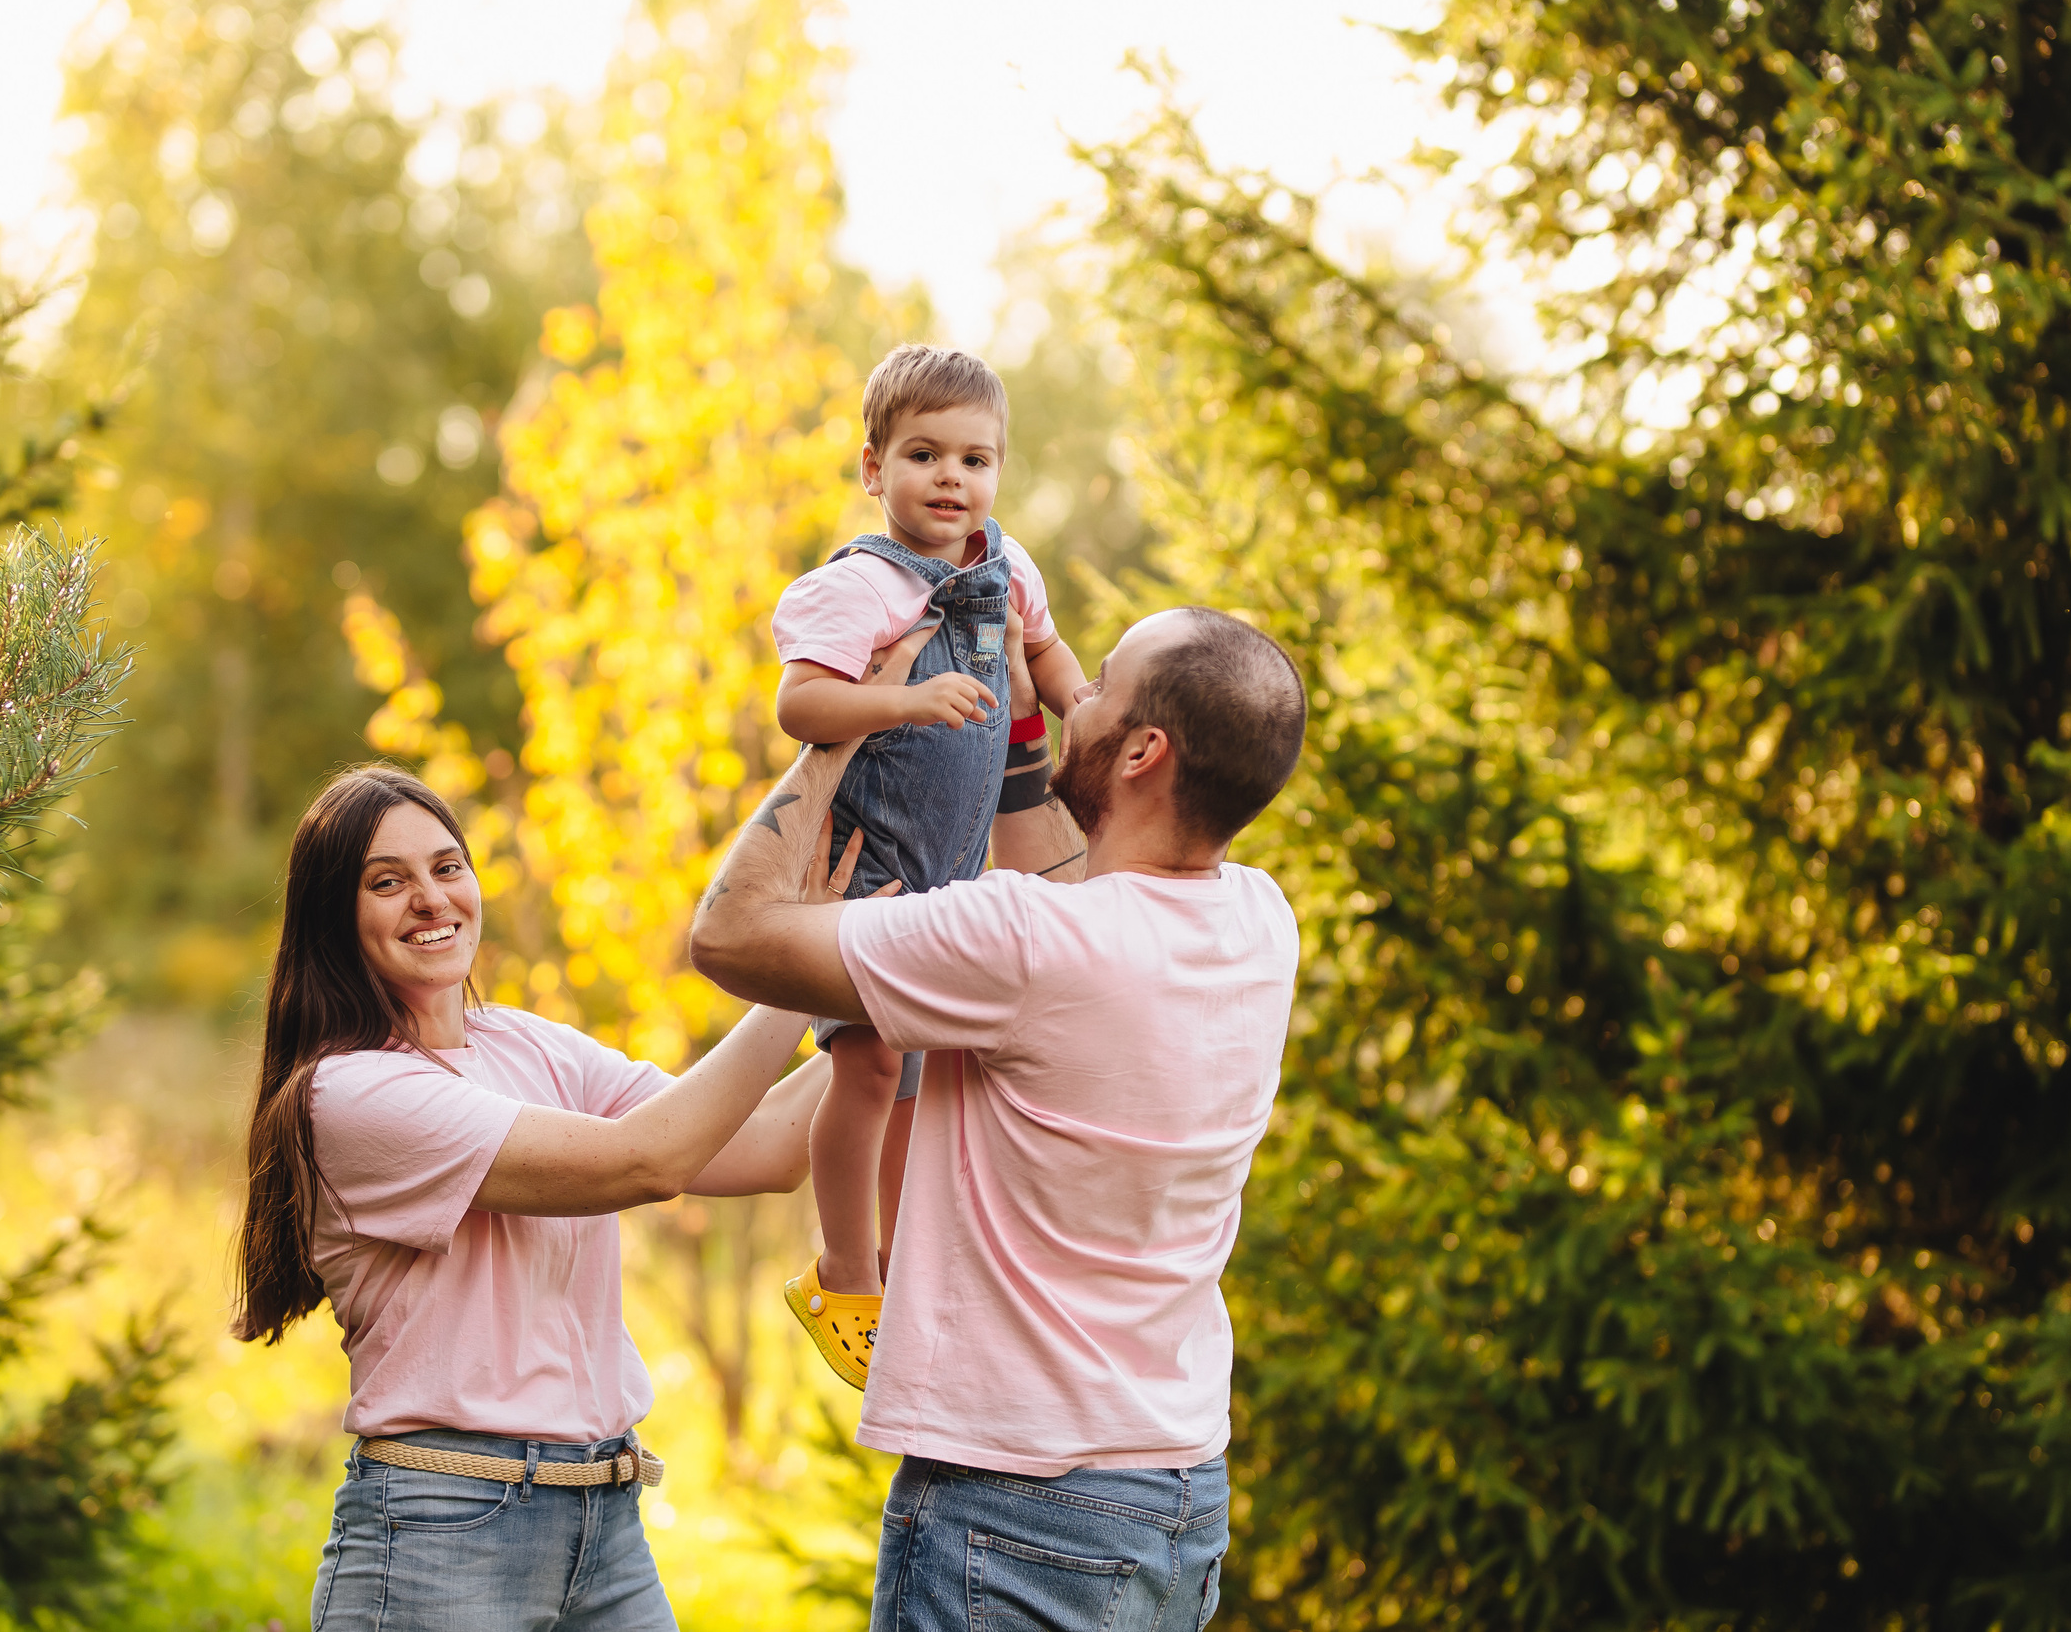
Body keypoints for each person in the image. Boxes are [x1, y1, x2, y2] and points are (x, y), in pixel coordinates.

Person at [692, 606, 1308, 1632]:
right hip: (1174, 1489)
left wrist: (844, 724)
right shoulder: (1256, 921)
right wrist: (1031, 745)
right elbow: (1081, 876)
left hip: (1018, 1506)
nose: (1076, 690)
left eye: (1100, 682)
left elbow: (728, 936)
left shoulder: (1026, 944)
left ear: (1146, 750)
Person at [230, 764, 867, 1632]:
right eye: (388, 882)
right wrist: (803, 958)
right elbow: (649, 1161)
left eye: (447, 867)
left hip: (604, 1525)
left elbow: (766, 1144)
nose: (430, 898)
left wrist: (879, 985)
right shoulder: (345, 1094)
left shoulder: (530, 1045)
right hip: (442, 1537)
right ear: (334, 919)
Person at [768, 342, 1089, 1389]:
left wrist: (1078, 704)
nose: (952, 479)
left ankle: (907, 1267)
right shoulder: (863, 585)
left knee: (918, 1083)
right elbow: (802, 706)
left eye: (976, 460)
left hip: (952, 877)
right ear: (873, 470)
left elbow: (1043, 650)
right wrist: (903, 700)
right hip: (867, 865)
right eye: (923, 455)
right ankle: (841, 1272)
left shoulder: (1008, 565)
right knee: (862, 1067)